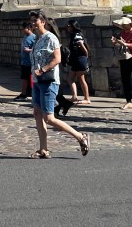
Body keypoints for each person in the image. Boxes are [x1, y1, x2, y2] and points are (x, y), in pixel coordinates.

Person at [27, 11, 89, 159]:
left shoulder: (50, 38)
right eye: (31, 21)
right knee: (37, 114)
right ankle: (43, 149)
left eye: (35, 20)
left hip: (48, 81)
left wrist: (43, 69)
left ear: (43, 21)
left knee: (49, 118)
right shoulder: (37, 39)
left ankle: (81, 137)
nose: (33, 23)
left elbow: (57, 59)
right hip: (37, 81)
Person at [111, 16, 132, 110]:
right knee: (125, 80)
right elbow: (121, 44)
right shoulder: (122, 33)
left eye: (124, 25)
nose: (123, 26)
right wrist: (115, 42)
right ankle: (128, 101)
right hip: (124, 58)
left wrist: (126, 44)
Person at [65, 20, 92, 104]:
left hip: (80, 59)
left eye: (69, 26)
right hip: (76, 60)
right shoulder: (73, 35)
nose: (67, 27)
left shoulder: (77, 35)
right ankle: (74, 96)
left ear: (73, 26)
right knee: (70, 78)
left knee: (81, 79)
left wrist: (86, 56)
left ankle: (87, 98)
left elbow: (82, 45)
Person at [15, 21, 35, 101]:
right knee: (24, 78)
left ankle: (27, 93)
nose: (22, 30)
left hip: (30, 62)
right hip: (24, 62)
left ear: (29, 28)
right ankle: (25, 93)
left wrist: (29, 50)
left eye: (24, 29)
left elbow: (37, 49)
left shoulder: (34, 37)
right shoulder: (25, 37)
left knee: (30, 79)